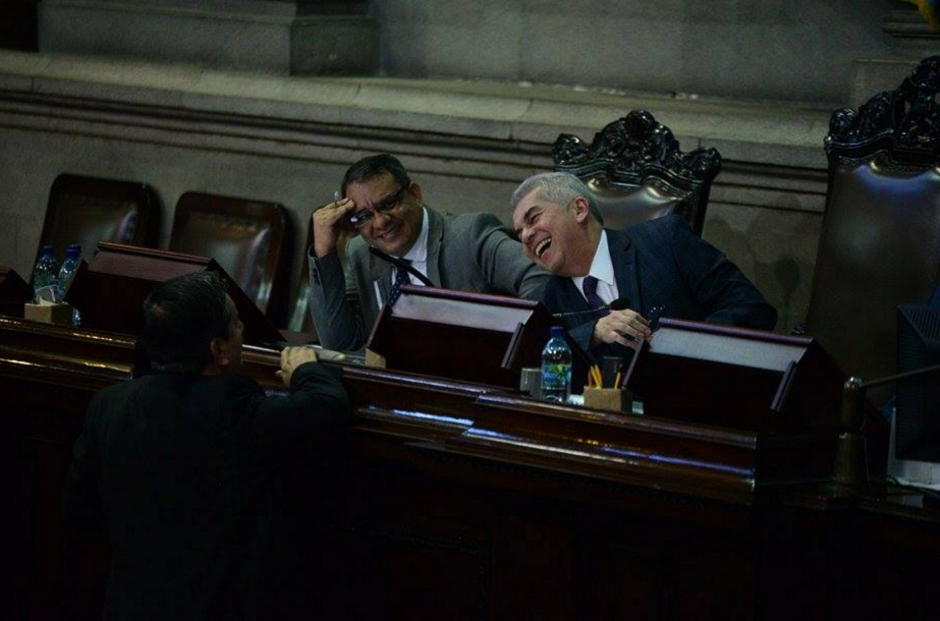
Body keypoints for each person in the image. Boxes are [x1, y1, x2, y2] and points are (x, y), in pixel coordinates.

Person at [62, 271, 352, 620]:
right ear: (219, 351)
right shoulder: (232, 409)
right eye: (237, 324)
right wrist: (306, 368)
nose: (243, 330)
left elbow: (79, 512)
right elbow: (327, 409)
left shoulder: (107, 405)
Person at [511, 172, 777, 360]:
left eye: (533, 218)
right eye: (519, 232)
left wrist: (676, 345)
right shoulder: (551, 299)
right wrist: (593, 332)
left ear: (579, 209)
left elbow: (752, 310)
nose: (525, 236)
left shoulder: (665, 241)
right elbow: (534, 364)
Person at [308, 154, 550, 351]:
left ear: (415, 194)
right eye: (364, 216)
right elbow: (340, 343)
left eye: (388, 203)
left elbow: (538, 277)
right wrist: (324, 253)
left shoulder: (470, 236)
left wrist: (507, 346)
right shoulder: (362, 252)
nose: (380, 222)